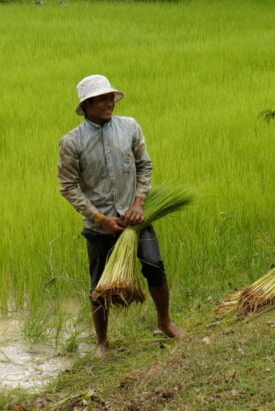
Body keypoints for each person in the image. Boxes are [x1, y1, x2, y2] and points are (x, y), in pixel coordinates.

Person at [58, 74, 183, 358]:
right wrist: (100, 218)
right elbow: (67, 186)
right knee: (99, 285)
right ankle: (102, 341)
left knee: (154, 266)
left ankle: (165, 322)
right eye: (102, 98)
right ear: (87, 104)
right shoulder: (72, 142)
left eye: (110, 97)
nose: (109, 102)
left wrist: (139, 202)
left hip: (136, 220)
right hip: (99, 226)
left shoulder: (129, 127)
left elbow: (144, 166)